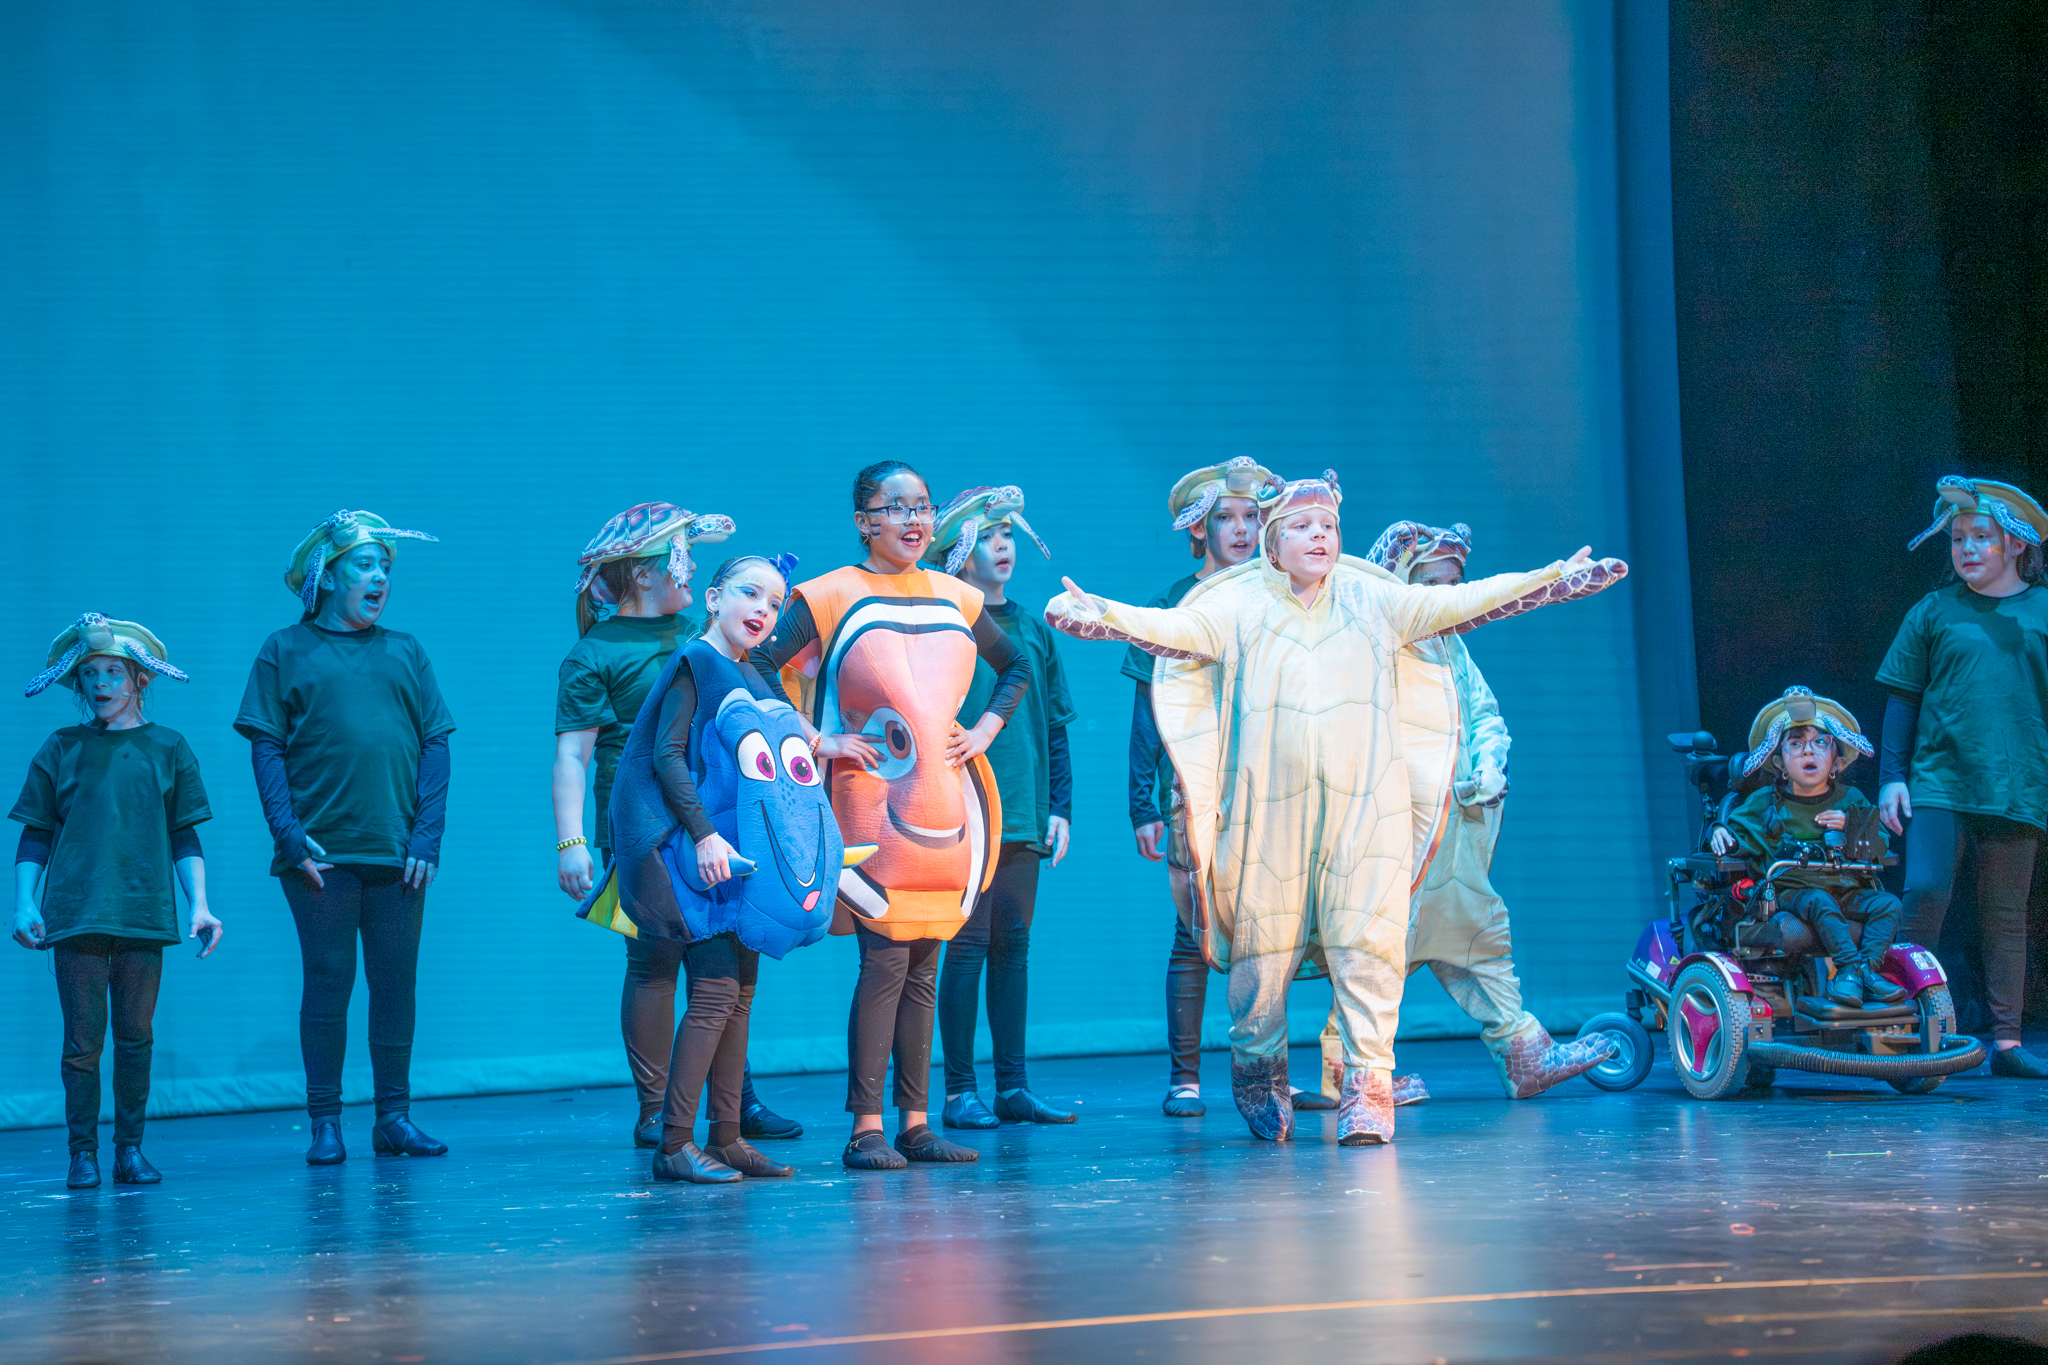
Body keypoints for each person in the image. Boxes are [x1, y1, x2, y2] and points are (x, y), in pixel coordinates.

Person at [1047, 471, 1625, 1145]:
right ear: (1273, 542)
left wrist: (1551, 578)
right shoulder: (1238, 604)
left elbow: (1465, 602)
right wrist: (1102, 615)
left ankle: (1367, 1087)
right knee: (1263, 954)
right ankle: (1258, 1065)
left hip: (1366, 811)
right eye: (1301, 526)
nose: (1319, 534)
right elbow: (1172, 629)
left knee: (1370, 944)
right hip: (1271, 815)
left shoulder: (1375, 597)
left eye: (1327, 525)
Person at [750, 460, 1032, 1171]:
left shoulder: (957, 595)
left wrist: (985, 731)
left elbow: (1018, 666)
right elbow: (754, 666)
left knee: (926, 965)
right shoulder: (829, 594)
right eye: (895, 506)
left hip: (943, 801)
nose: (912, 519)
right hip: (872, 801)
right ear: (863, 520)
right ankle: (865, 1127)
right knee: (883, 961)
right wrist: (815, 739)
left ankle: (915, 1121)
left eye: (923, 506)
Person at [1318, 522, 1616, 1107]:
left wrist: (1490, 764)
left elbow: (1485, 715)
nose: (1446, 598)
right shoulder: (1368, 647)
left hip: (1456, 832)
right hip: (1394, 834)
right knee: (1376, 950)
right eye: (1431, 585)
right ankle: (1348, 1071)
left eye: (1454, 585)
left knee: (1478, 933)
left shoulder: (1449, 646)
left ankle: (1522, 1055)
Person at [553, 503, 801, 1148]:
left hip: (719, 821)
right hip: (645, 828)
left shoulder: (708, 636)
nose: (691, 566)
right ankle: (656, 1108)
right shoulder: (596, 653)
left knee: (729, 967)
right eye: (681, 555)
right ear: (644, 574)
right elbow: (573, 755)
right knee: (656, 963)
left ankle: (731, 1104)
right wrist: (572, 840)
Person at [593, 553, 844, 1183]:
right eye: (749, 594)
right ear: (713, 597)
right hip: (699, 852)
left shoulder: (754, 672)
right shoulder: (696, 661)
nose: (763, 609)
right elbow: (666, 755)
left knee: (740, 995)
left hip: (746, 854)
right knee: (712, 993)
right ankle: (675, 1143)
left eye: (773, 600)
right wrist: (703, 835)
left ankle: (727, 1136)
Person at [236, 509, 454, 1165]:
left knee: (396, 984)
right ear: (327, 576)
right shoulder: (284, 649)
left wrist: (427, 837)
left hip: (397, 853)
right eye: (365, 564)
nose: (379, 575)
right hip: (321, 858)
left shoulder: (405, 649)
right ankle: (325, 1121)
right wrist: (291, 837)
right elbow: (267, 748)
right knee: (328, 981)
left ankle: (394, 1116)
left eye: (385, 566)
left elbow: (435, 745)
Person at [11, 615, 222, 1190]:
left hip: (142, 915)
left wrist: (199, 904)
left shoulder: (168, 748)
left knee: (136, 1039)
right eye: (90, 674)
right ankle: (83, 1154)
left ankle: (129, 1150)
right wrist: (24, 903)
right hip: (77, 916)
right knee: (82, 1045)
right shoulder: (62, 748)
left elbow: (184, 834)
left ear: (139, 680)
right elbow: (36, 833)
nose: (101, 684)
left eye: (113, 672)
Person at [1878, 476, 2048, 1076]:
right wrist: (1891, 777)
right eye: (1958, 539)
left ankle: (2006, 1042)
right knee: (1925, 891)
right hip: (1939, 779)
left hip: (2017, 782)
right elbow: (1903, 698)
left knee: (2005, 913)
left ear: (2018, 545)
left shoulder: (2042, 610)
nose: (1967, 548)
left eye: (1982, 537)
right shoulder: (1935, 610)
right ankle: (1890, 1016)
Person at [1126, 458, 1280, 1119]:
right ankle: (1185, 1077)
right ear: (1200, 529)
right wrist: (1142, 801)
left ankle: (1266, 1069)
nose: (1242, 530)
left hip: (1274, 785)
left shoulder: (1279, 598)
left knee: (1272, 929)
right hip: (1196, 787)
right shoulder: (1174, 604)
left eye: (1252, 517)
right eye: (1226, 518)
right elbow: (1147, 707)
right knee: (1195, 930)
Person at [925, 487, 1080, 1129]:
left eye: (1009, 537)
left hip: (1022, 808)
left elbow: (1056, 725)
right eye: (990, 538)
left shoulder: (1033, 631)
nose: (1004, 548)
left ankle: (1013, 1087)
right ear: (960, 552)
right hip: (961, 811)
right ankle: (960, 1091)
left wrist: (1060, 806)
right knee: (965, 948)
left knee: (1013, 946)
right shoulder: (942, 625)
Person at [1709, 687, 1904, 1008]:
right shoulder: (1762, 803)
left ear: (1836, 761)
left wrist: (1849, 826)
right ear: (1780, 762)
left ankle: (1862, 973)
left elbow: (1880, 847)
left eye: (1820, 743)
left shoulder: (1850, 800)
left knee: (1889, 904)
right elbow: (1731, 839)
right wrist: (1718, 830)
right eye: (1796, 744)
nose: (1808, 752)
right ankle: (1850, 969)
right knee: (1818, 899)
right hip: (1790, 896)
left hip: (1845, 890)